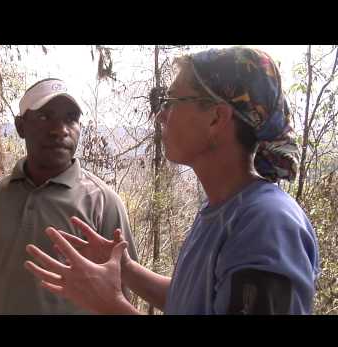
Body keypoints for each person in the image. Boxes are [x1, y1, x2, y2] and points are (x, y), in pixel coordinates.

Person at [24, 47, 321, 315]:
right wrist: (126, 269)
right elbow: (191, 301)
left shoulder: (266, 226)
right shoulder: (223, 210)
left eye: (172, 101)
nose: (161, 115)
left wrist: (111, 305)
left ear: (216, 118)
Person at [0, 78, 138, 314]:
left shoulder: (103, 203)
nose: (60, 130)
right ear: (21, 126)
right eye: (44, 117)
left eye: (71, 118)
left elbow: (121, 293)